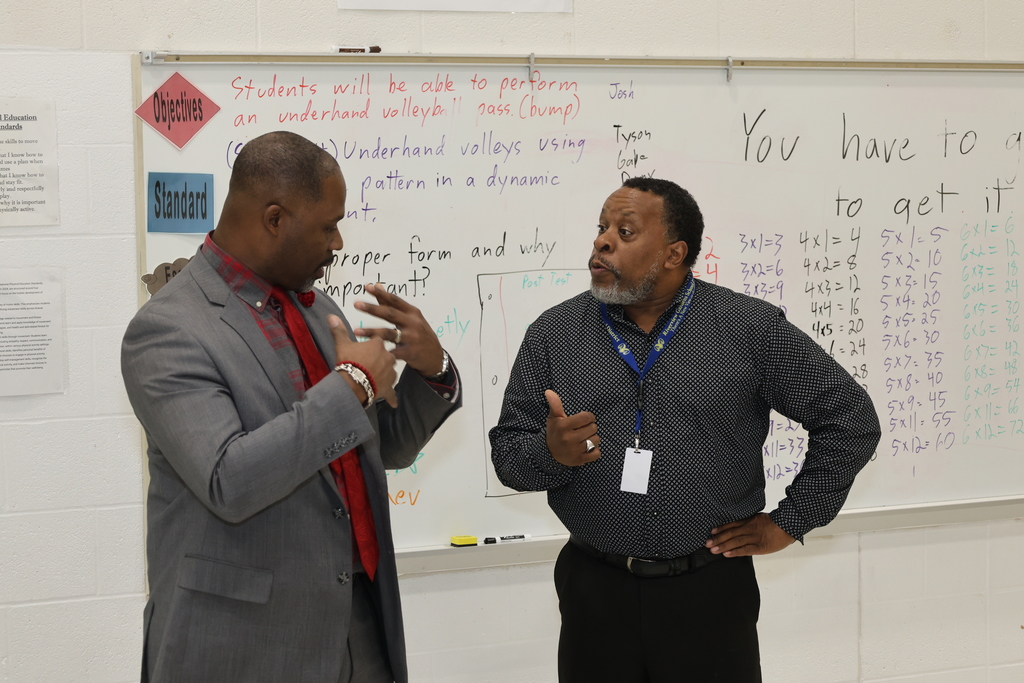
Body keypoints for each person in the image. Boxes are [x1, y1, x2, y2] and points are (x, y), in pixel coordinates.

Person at [489, 177, 880, 682]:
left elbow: (850, 418)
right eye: (602, 228)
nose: (602, 241)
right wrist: (550, 452)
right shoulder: (555, 333)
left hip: (709, 593)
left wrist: (789, 522)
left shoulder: (747, 327)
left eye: (625, 231)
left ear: (674, 253)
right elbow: (508, 457)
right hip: (594, 591)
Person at [122, 131, 461, 683]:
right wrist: (353, 384)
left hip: (357, 626)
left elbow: (380, 447)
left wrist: (433, 370)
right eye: (328, 225)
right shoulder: (168, 328)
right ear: (275, 219)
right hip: (244, 644)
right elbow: (229, 480)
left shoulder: (318, 308)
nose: (339, 242)